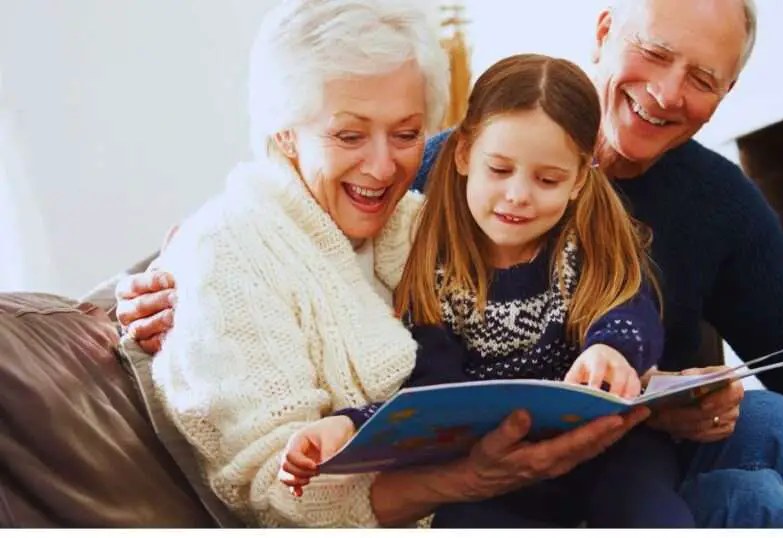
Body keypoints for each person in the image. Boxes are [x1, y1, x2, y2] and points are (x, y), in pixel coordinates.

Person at [116, 0, 783, 529]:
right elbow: (283, 214)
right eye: (656, 53)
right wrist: (163, 279)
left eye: (702, 78)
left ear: (726, 95)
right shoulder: (442, 176)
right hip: (499, 466)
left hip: (637, 442)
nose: (669, 92)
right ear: (604, 30)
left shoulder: (715, 199)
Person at [135, 0, 656, 528]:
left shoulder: (420, 222)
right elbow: (279, 497)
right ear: (284, 131)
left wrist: (627, 361)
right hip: (466, 512)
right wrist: (466, 479)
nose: (384, 168)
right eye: (349, 135)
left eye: (406, 134)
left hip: (555, 493)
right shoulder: (225, 253)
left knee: (739, 455)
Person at [280, 53, 695, 529]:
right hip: (506, 471)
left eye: (547, 179)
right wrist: (352, 424)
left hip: (613, 453)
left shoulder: (584, 246)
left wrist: (611, 349)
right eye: (499, 170)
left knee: (646, 508)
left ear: (579, 178)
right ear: (462, 156)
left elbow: (630, 313)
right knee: (463, 520)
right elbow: (431, 392)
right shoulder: (434, 269)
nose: (518, 194)